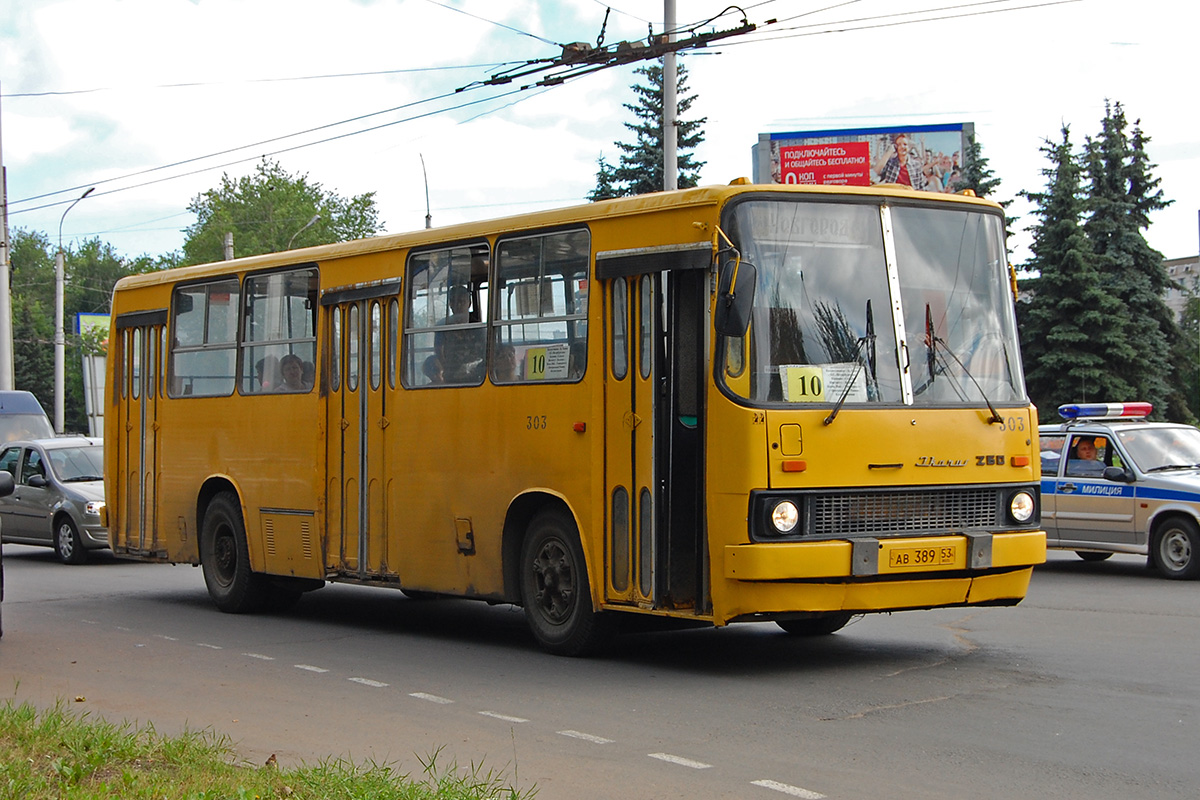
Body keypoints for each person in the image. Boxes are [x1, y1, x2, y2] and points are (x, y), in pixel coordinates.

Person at [434, 285, 485, 382]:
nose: (458, 305)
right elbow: (438, 351)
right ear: (450, 304)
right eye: (455, 302)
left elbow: (485, 353)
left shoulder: (478, 327)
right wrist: (448, 369)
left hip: (477, 377)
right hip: (451, 375)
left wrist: (472, 369)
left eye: (462, 301)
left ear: (469, 303)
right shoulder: (442, 325)